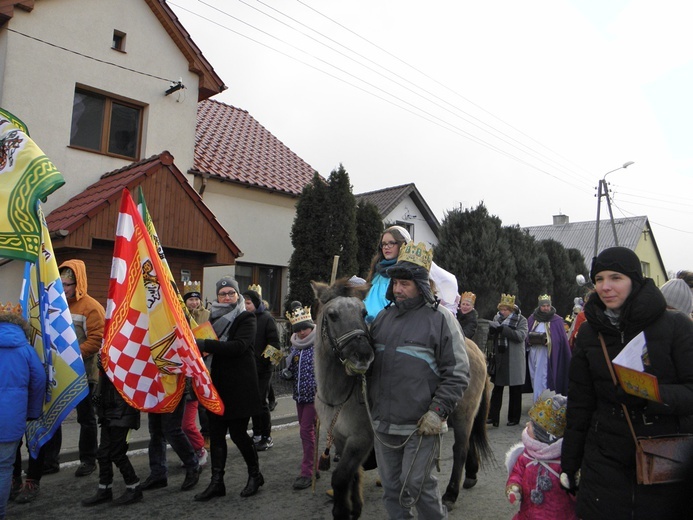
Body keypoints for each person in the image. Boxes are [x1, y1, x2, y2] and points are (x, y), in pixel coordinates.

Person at [560, 247, 693, 519]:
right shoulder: (589, 333)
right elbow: (580, 405)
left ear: (634, 280)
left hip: (664, 461)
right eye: (599, 280)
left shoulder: (676, 326)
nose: (605, 287)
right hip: (603, 464)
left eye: (615, 277)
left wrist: (650, 397)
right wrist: (569, 463)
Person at [368, 241, 469, 519]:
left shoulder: (441, 319)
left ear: (422, 285)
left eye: (405, 284)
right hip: (384, 424)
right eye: (396, 283)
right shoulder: (382, 319)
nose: (398, 289)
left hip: (421, 424)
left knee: (419, 486)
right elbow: (366, 365)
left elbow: (458, 372)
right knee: (391, 489)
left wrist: (438, 413)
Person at [194, 276, 264, 501]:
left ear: (237, 295)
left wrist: (205, 345)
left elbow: (239, 347)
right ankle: (217, 483)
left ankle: (255, 475)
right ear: (217, 296)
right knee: (215, 435)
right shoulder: (212, 317)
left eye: (230, 293)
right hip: (217, 384)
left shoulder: (246, 317)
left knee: (238, 434)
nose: (226, 297)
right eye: (222, 293)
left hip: (240, 386)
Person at [58, 260, 105, 478]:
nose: (64, 288)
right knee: (55, 415)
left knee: (86, 419)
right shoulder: (56, 304)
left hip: (84, 374)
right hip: (60, 373)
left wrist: (72, 357)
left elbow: (96, 340)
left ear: (78, 284)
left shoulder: (91, 307)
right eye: (61, 283)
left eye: (68, 284)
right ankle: (50, 460)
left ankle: (88, 459)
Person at [0, 305, 46, 520]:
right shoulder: (26, 350)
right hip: (11, 418)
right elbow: (39, 381)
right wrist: (32, 411)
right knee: (4, 467)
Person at [82, 353, 143, 506]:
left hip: (123, 411)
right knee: (103, 454)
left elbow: (131, 373)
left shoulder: (128, 349)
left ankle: (134, 488)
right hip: (109, 409)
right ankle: (104, 489)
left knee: (117, 453)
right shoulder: (111, 347)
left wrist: (111, 365)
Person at [505, 390, 577, 520]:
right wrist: (514, 486)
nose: (527, 425)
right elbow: (517, 473)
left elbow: (576, 494)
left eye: (532, 425)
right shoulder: (526, 455)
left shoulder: (564, 461)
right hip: (528, 514)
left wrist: (573, 484)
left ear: (543, 435)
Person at [281, 301, 318, 490]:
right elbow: (291, 366)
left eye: (305, 328)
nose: (303, 332)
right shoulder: (296, 346)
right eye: (299, 329)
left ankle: (307, 472)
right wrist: (286, 372)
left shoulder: (319, 345)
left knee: (306, 431)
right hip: (299, 395)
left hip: (315, 396)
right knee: (309, 432)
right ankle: (315, 465)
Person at [243, 286, 280, 452]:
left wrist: (264, 363)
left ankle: (267, 436)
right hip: (248, 368)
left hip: (263, 369)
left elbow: (275, 345)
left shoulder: (266, 318)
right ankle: (256, 434)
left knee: (261, 402)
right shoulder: (244, 318)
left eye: (248, 303)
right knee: (251, 402)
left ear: (256, 303)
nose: (246, 306)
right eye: (243, 303)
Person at [487, 294, 529, 428]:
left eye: (506, 310)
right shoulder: (496, 318)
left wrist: (502, 329)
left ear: (512, 310)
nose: (503, 312)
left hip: (514, 358)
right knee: (497, 388)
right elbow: (492, 337)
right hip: (500, 357)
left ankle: (514, 418)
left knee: (515, 389)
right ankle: (493, 416)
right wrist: (492, 331)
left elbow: (520, 336)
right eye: (502, 309)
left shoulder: (521, 320)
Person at [181, 282, 209, 466]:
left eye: (196, 299)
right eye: (190, 299)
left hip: (198, 369)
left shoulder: (205, 315)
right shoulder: (179, 314)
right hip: (182, 370)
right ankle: (191, 451)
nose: (194, 302)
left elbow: (208, 343)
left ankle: (200, 447)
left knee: (190, 420)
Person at [525, 294, 572, 402]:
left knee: (542, 378)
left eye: (547, 306)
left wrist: (549, 341)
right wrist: (529, 340)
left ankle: (541, 402)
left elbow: (561, 339)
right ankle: (538, 401)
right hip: (533, 352)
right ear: (539, 306)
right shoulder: (532, 318)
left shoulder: (557, 320)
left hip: (547, 354)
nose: (546, 308)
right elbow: (525, 335)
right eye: (543, 306)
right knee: (534, 376)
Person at [364, 225, 410, 324]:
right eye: (384, 244)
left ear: (402, 245)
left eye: (391, 243)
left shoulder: (407, 273)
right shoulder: (377, 273)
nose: (386, 247)